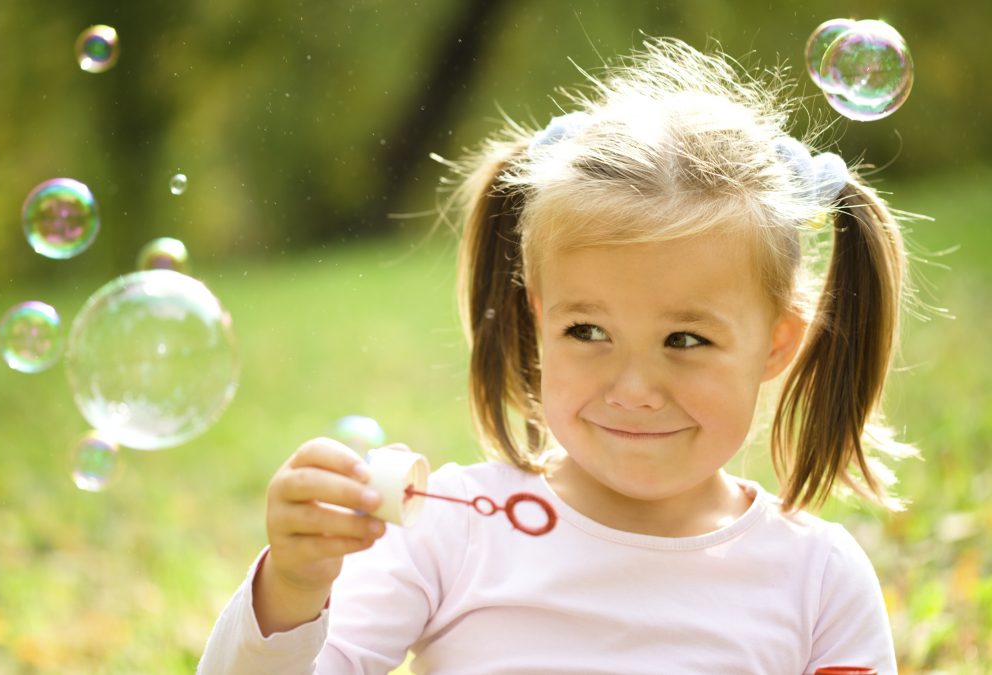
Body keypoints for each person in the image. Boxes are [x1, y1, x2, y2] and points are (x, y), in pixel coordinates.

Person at [199, 38, 914, 674]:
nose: (634, 388)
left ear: (777, 343)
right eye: (588, 332)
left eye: (686, 340)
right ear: (538, 319)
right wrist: (291, 589)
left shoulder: (817, 579)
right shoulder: (452, 529)